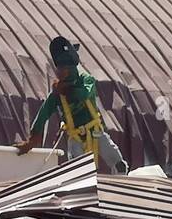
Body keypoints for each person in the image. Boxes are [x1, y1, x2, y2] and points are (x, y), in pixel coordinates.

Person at [14, 37, 128, 173]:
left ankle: (121, 188)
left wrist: (68, 89)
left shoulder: (86, 79)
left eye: (65, 68)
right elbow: (44, 112)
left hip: (96, 132)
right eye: (60, 68)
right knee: (78, 171)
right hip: (75, 138)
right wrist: (33, 139)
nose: (61, 71)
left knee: (119, 164)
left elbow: (84, 94)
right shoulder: (57, 92)